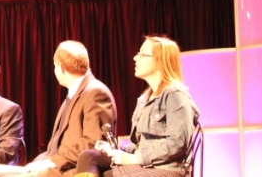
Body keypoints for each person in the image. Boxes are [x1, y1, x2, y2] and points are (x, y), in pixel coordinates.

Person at [74, 36, 200, 177]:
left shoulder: (175, 95)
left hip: (166, 169)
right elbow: (139, 144)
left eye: (142, 54)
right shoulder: (144, 99)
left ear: (160, 60)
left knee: (106, 175)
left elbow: (177, 143)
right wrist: (116, 150)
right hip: (146, 165)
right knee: (89, 156)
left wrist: (136, 158)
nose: (135, 58)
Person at [24, 41, 116, 177]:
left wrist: (51, 162)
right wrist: (40, 161)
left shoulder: (96, 92)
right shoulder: (75, 93)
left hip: (73, 170)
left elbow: (93, 142)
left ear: (60, 67)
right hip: (58, 167)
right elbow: (57, 147)